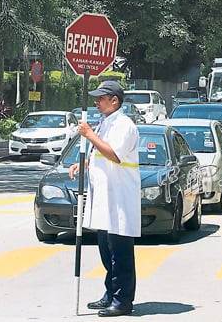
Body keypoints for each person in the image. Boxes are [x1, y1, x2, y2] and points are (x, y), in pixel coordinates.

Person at [69, 80, 141, 317]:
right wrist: (86, 162)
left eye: (101, 98)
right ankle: (110, 294)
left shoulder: (124, 125)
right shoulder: (105, 123)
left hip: (119, 198)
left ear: (114, 101)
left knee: (120, 253)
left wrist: (88, 134)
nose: (96, 102)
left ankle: (122, 301)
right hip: (103, 198)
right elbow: (101, 152)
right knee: (105, 251)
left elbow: (116, 154)